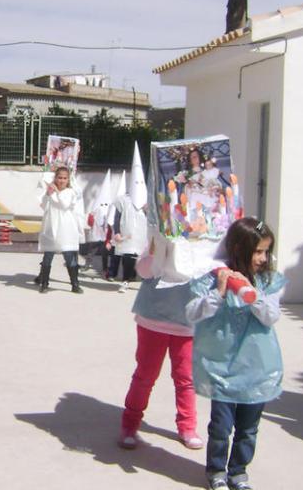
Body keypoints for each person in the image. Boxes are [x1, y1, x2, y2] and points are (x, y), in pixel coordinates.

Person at [186, 217, 286, 490]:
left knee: (248, 428)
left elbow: (270, 316)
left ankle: (238, 471)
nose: (263, 258)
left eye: (266, 251)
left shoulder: (269, 281)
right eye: (257, 251)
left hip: (256, 366)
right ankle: (216, 470)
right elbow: (192, 313)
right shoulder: (213, 277)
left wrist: (251, 292)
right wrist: (219, 291)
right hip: (222, 366)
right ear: (239, 249)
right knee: (220, 426)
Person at [118, 237, 203, 451]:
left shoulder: (202, 244)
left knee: (186, 378)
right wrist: (156, 249)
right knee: (145, 376)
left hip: (187, 323)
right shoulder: (157, 239)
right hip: (152, 320)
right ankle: (130, 424)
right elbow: (144, 271)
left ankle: (187, 426)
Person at [36, 166, 85, 293]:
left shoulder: (71, 192)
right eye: (59, 178)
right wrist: (48, 193)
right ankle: (44, 283)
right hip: (51, 225)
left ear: (68, 180)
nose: (62, 180)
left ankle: (75, 284)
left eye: (64, 178)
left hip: (65, 227)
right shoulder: (50, 192)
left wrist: (56, 191)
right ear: (55, 178)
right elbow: (43, 204)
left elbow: (64, 204)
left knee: (69, 255)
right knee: (48, 255)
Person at [111, 144, 149, 292]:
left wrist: (148, 210)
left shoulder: (148, 200)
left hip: (143, 233)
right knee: (128, 256)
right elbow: (117, 216)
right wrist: (116, 231)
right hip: (128, 233)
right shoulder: (123, 200)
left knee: (144, 257)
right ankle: (126, 280)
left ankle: (146, 281)